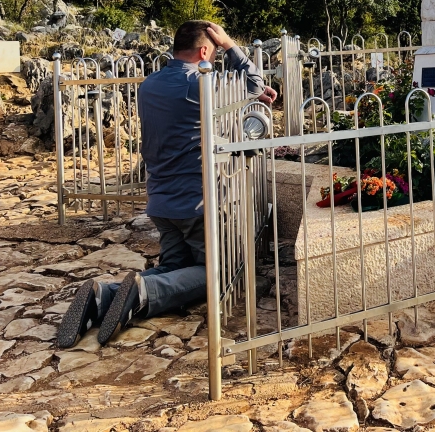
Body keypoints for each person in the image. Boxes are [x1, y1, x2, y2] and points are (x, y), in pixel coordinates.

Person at [57, 20, 277, 348]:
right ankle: (144, 292)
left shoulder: (149, 85)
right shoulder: (198, 84)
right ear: (204, 51)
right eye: (214, 52)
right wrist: (230, 45)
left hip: (161, 201)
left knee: (176, 266)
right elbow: (253, 82)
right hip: (197, 202)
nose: (215, 57)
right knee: (223, 272)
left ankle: (104, 296)